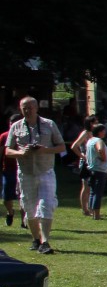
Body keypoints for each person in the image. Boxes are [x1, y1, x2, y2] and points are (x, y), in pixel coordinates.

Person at [5, 97, 66, 254]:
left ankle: (45, 242)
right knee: (29, 207)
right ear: (20, 109)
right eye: (24, 108)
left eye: (30, 107)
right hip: (26, 173)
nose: (27, 110)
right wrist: (21, 152)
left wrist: (44, 150)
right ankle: (36, 239)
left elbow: (61, 147)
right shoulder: (16, 127)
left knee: (47, 204)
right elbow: (7, 151)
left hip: (46, 171)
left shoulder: (49, 124)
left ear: (37, 108)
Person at [83, 122, 107, 220]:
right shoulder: (99, 141)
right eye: (103, 131)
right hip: (100, 170)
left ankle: (92, 211)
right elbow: (100, 150)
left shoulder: (90, 141)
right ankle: (97, 214)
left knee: (92, 192)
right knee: (98, 192)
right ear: (99, 132)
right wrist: (103, 158)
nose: (104, 132)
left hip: (92, 169)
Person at [69, 121, 95, 216]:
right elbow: (74, 146)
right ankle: (85, 209)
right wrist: (82, 156)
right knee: (86, 186)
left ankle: (91, 208)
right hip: (85, 162)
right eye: (94, 122)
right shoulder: (85, 133)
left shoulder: (94, 133)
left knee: (92, 186)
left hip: (93, 162)